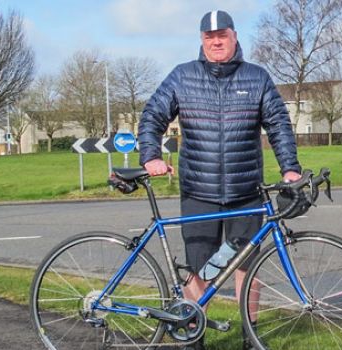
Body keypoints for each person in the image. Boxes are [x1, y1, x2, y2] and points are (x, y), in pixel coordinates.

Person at [137, 9, 302, 350]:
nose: (216, 42)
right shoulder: (183, 77)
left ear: (234, 36)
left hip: (246, 192)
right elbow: (153, 115)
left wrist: (290, 168)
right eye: (210, 37)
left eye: (222, 36)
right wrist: (151, 156)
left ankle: (250, 338)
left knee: (246, 266)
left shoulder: (257, 78)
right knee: (198, 269)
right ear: (202, 41)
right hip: (199, 191)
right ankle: (192, 337)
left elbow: (279, 125)